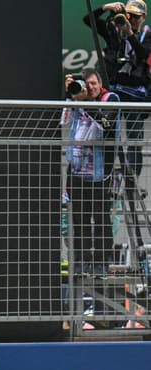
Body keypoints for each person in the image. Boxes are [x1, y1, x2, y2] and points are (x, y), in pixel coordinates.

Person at [83, 0, 151, 175]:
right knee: (109, 135)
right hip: (115, 91)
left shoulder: (147, 35)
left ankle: (132, 180)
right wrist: (105, 8)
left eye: (136, 17)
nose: (132, 20)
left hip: (136, 94)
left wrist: (130, 34)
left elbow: (143, 55)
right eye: (129, 15)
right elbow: (88, 20)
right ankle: (109, 176)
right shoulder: (113, 30)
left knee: (134, 141)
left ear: (143, 17)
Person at [64, 68, 121, 273]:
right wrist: (68, 92)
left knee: (101, 219)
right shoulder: (77, 100)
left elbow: (106, 123)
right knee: (80, 220)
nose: (89, 88)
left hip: (100, 173)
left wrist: (85, 102)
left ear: (100, 84)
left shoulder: (110, 98)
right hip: (77, 170)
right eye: (86, 84)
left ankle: (101, 262)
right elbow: (63, 118)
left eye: (93, 84)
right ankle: (82, 261)